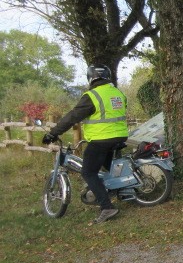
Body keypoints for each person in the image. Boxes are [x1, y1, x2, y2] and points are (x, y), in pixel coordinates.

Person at [42, 64, 128, 224]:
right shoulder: (117, 93)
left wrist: (54, 133)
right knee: (106, 169)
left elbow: (73, 116)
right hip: (120, 136)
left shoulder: (92, 95)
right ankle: (113, 191)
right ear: (107, 76)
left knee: (88, 172)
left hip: (101, 139)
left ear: (91, 78)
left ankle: (106, 207)